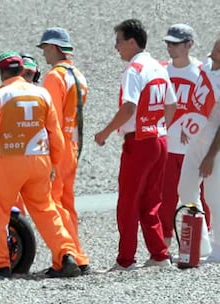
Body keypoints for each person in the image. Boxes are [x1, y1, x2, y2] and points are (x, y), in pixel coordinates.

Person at [0, 51, 82, 278]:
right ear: (22, 71)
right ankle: (66, 255)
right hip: (40, 161)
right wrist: (54, 162)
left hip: (9, 161)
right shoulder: (42, 94)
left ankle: (0, 265)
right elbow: (55, 134)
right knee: (46, 211)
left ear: (2, 72)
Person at [94, 19, 177, 270]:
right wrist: (161, 127)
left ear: (132, 42)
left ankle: (126, 260)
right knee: (151, 201)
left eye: (119, 41)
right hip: (159, 138)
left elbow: (129, 107)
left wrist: (105, 132)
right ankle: (159, 254)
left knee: (128, 202)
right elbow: (171, 105)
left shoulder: (134, 69)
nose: (116, 47)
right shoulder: (159, 66)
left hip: (140, 140)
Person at [37, 27, 90, 273]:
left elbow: (50, 118)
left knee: (53, 203)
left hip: (58, 147)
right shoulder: (79, 75)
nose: (44, 53)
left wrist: (47, 153)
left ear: (56, 48)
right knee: (67, 203)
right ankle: (79, 256)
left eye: (46, 48)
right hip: (74, 146)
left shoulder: (54, 77)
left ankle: (64, 257)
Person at [158, 24, 213, 254]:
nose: (171, 47)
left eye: (176, 43)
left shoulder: (202, 72)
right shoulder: (161, 70)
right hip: (168, 146)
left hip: (195, 147)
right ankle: (166, 245)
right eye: (168, 43)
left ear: (189, 44)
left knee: (201, 195)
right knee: (166, 195)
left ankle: (203, 242)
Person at [178, 37, 220, 263]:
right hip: (196, 139)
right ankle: (200, 243)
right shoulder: (205, 67)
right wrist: (187, 125)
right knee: (185, 188)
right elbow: (196, 101)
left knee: (215, 197)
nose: (215, 51)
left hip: (216, 145)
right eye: (216, 46)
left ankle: (218, 248)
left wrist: (211, 157)